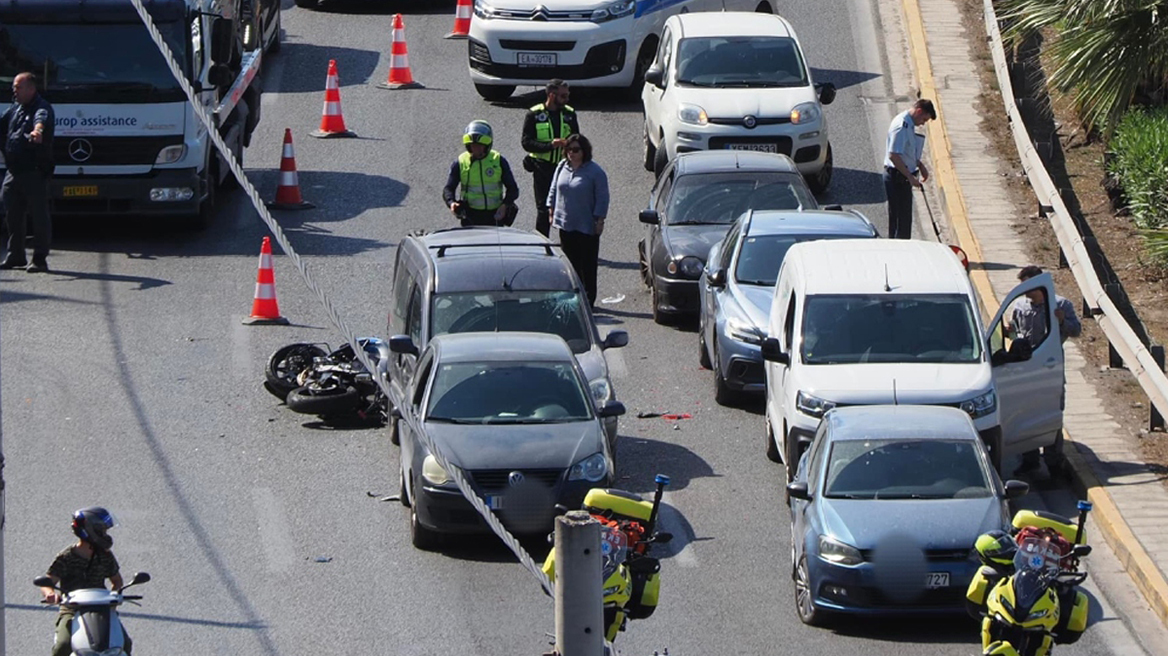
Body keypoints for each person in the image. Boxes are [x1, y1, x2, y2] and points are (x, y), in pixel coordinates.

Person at [1007, 264, 1082, 474]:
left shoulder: (1060, 304)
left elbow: (1076, 331)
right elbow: (1017, 334)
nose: (1025, 291)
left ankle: (1054, 461)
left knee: (1050, 413)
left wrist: (1061, 320)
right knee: (1025, 413)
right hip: (1026, 368)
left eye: (1028, 286)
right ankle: (1029, 459)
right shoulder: (1021, 307)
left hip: (1050, 367)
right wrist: (1009, 332)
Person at [40, 507, 132, 656]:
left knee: (125, 643)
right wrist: (51, 594)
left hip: (102, 609)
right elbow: (47, 582)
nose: (105, 535)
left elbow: (117, 581)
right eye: (103, 531)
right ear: (91, 531)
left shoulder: (105, 556)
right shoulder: (66, 557)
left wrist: (115, 597)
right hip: (72, 609)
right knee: (62, 645)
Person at [1, 71, 55, 272]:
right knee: (12, 214)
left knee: (39, 216)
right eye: (14, 87)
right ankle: (16, 256)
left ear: (31, 89)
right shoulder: (15, 108)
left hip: (33, 171)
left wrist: (37, 131)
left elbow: (41, 120)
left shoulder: (41, 108)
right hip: (13, 171)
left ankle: (39, 259)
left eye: (18, 87)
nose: (14, 90)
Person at [547, 134, 608, 307]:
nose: (571, 153)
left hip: (587, 225)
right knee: (570, 265)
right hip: (566, 224)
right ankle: (573, 298)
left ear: (584, 151)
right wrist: (551, 210)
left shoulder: (595, 172)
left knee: (587, 265)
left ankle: (589, 301)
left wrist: (599, 220)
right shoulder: (562, 167)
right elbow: (554, 189)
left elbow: (602, 197)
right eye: (568, 149)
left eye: (575, 150)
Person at [522, 79, 580, 237]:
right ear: (551, 95)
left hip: (564, 168)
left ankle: (567, 244)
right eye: (563, 96)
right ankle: (541, 242)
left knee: (565, 208)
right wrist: (550, 145)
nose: (566, 99)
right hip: (542, 167)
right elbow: (526, 143)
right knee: (543, 209)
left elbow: (577, 138)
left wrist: (570, 145)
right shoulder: (534, 114)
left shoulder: (569, 113)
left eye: (567, 95)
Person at [442, 120, 519, 228]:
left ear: (487, 146)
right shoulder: (460, 162)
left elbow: (513, 189)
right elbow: (448, 189)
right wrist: (452, 203)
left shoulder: (498, 161)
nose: (476, 149)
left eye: (480, 146)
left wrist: (505, 205)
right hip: (470, 217)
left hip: (495, 216)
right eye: (473, 145)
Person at [883, 98, 935, 240]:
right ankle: (898, 251)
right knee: (900, 221)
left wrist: (919, 165)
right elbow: (893, 155)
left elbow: (906, 151)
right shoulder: (902, 126)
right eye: (924, 119)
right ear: (919, 111)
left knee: (904, 219)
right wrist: (910, 177)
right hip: (897, 177)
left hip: (902, 175)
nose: (923, 123)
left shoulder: (909, 124)